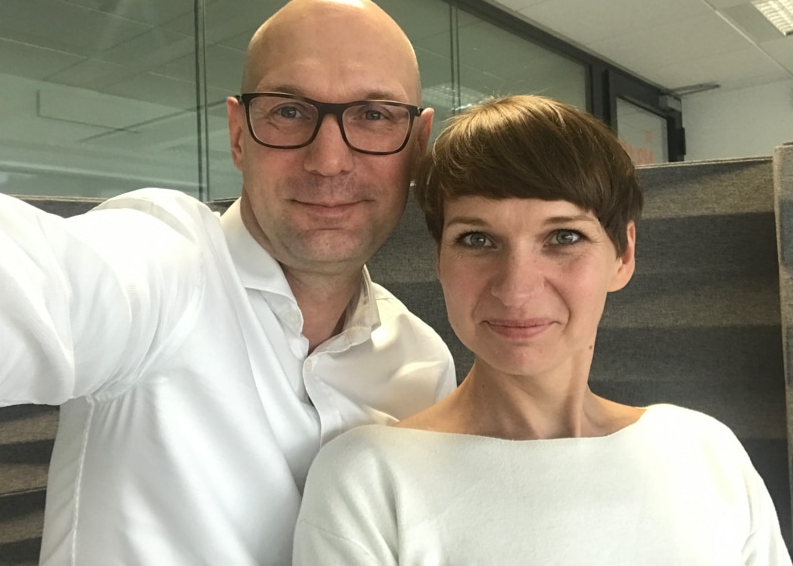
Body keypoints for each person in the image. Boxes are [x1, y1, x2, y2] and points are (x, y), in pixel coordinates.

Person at [0, 0, 456, 566]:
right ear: (239, 134)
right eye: (289, 111)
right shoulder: (167, 264)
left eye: (374, 115)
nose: (329, 161)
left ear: (417, 146)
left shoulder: (424, 367)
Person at [293, 95, 792, 565]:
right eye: (477, 239)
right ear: (440, 260)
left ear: (623, 254)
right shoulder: (370, 478)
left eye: (563, 237)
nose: (516, 289)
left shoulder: (705, 453)